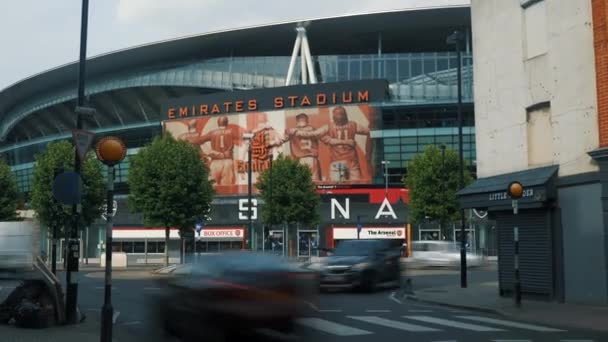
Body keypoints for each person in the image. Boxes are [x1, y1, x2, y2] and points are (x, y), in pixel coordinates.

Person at [294, 106, 370, 182]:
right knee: (356, 187)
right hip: (350, 161)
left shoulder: (329, 127)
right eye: (338, 114)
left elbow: (314, 134)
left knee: (338, 188)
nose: (339, 116)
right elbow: (370, 132)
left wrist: (297, 131)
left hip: (338, 161)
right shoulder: (353, 125)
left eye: (340, 114)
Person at [183, 116, 236, 186]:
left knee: (212, 188)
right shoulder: (231, 131)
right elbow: (243, 137)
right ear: (227, 123)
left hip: (215, 162)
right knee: (227, 188)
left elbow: (199, 140)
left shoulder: (213, 133)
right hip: (228, 161)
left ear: (218, 123)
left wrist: (188, 140)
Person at [277, 113, 322, 181]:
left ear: (297, 121)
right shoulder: (314, 129)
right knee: (314, 183)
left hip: (300, 159)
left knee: (301, 183)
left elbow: (281, 140)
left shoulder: (292, 131)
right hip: (312, 159)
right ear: (307, 120)